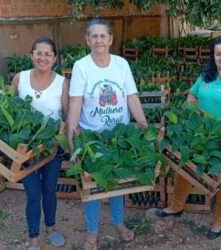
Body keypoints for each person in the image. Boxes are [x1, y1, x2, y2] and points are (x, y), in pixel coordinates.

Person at [155, 36, 221, 240]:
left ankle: (219, 219)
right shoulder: (206, 76)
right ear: (213, 56)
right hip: (200, 135)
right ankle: (176, 207)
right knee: (184, 169)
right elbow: (191, 97)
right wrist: (191, 115)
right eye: (218, 53)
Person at [66, 18, 148, 250]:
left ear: (111, 39)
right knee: (91, 186)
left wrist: (143, 125)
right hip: (92, 138)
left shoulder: (121, 64)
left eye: (103, 36)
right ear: (87, 40)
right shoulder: (81, 66)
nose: (99, 40)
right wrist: (73, 135)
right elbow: (75, 102)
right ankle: (92, 232)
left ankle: (119, 223)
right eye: (94, 36)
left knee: (117, 184)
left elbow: (131, 97)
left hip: (118, 137)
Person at [11, 37, 69, 250]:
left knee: (49, 191)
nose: (42, 57)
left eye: (48, 54)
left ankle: (52, 228)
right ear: (31, 55)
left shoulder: (62, 82)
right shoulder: (20, 79)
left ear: (54, 58)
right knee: (33, 195)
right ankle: (34, 239)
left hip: (52, 149)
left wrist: (66, 134)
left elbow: (66, 115)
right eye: (39, 53)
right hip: (26, 150)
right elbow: (10, 109)